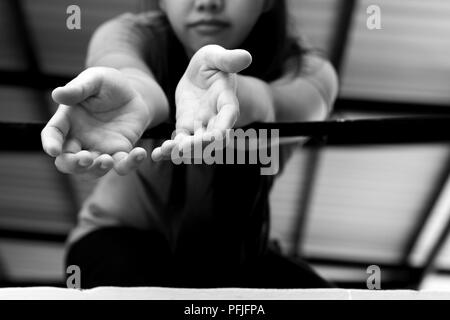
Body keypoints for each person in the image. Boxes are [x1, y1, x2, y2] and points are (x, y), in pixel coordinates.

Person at [41, 0, 338, 288]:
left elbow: (277, 106)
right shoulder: (127, 34)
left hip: (238, 256)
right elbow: (131, 76)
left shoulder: (309, 69)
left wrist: (230, 92)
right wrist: (137, 97)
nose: (207, 2)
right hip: (117, 239)